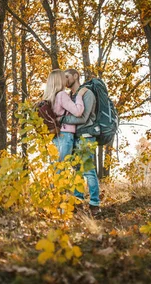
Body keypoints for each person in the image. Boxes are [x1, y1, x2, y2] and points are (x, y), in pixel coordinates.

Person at [60, 68, 102, 217]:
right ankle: (78, 202)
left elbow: (83, 118)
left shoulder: (87, 93)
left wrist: (63, 120)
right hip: (75, 137)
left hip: (87, 136)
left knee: (89, 171)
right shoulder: (70, 96)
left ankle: (95, 205)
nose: (65, 80)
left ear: (75, 76)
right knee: (77, 171)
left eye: (67, 76)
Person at [43, 69, 86, 166]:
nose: (65, 80)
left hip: (55, 135)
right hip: (65, 135)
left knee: (56, 168)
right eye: (64, 77)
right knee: (61, 169)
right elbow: (78, 112)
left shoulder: (49, 97)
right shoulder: (62, 95)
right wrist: (79, 96)